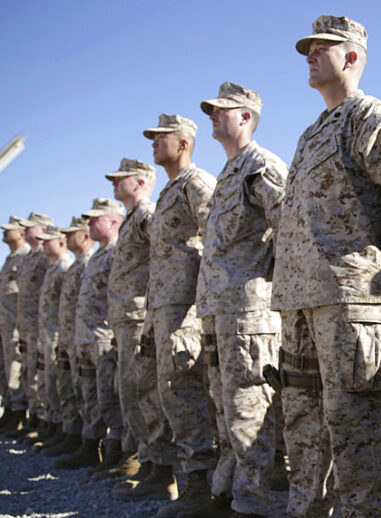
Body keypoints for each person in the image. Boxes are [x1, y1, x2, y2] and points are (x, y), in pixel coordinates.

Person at [271, 15, 381, 517]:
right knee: (304, 429)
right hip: (299, 301)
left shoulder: (370, 118)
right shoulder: (312, 132)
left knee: (353, 433)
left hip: (351, 300)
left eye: (321, 48)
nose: (309, 55)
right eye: (307, 48)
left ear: (352, 57)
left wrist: (377, 253)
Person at [182, 82, 287, 518]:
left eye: (221, 110)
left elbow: (290, 227)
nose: (212, 115)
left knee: (249, 410)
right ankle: (228, 492)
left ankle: (256, 502)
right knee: (225, 410)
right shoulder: (228, 173)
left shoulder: (261, 166)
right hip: (219, 314)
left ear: (245, 117)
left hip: (249, 315)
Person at [114, 113, 216, 517]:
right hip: (160, 309)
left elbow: (216, 242)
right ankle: (168, 473)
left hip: (184, 310)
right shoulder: (171, 191)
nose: (154, 143)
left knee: (185, 397)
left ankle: (198, 488)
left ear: (184, 143)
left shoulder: (196, 184)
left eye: (162, 137)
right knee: (162, 394)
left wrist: (196, 311)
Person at [55, 198, 124, 471]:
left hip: (103, 337)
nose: (90, 224)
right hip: (85, 337)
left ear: (113, 221)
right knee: (89, 395)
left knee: (109, 397)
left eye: (96, 219)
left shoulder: (116, 252)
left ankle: (117, 451)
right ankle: (91, 445)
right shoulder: (97, 256)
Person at [101, 158, 157, 483]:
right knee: (127, 389)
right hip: (125, 319)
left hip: (139, 318)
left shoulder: (146, 216)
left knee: (140, 390)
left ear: (138, 182)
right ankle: (137, 457)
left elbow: (165, 257)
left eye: (120, 179)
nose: (113, 184)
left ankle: (147, 462)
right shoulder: (131, 220)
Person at [44, 217, 94, 458]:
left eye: (72, 233)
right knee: (74, 388)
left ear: (84, 236)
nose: (67, 237)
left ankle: (94, 444)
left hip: (89, 336)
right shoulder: (75, 265)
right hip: (70, 336)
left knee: (94, 393)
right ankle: (74, 434)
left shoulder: (85, 263)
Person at [12, 212, 54, 440]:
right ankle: (33, 417)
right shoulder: (29, 258)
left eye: (31, 228)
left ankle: (44, 419)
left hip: (43, 327)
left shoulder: (45, 259)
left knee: (42, 375)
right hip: (26, 325)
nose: (26, 231)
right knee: (29, 372)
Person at [30, 226, 73, 450]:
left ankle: (66, 430)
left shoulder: (65, 267)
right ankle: (55, 425)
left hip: (59, 334)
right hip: (48, 334)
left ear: (61, 243)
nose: (44, 245)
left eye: (48, 241)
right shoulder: (53, 268)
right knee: (51, 384)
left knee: (61, 383)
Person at [0, 216, 31, 434]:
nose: (4, 232)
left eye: (9, 229)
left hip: (17, 326)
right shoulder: (10, 259)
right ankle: (10, 410)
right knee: (5, 370)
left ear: (21, 233)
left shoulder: (25, 259)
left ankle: (18, 414)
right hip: (5, 325)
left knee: (15, 369)